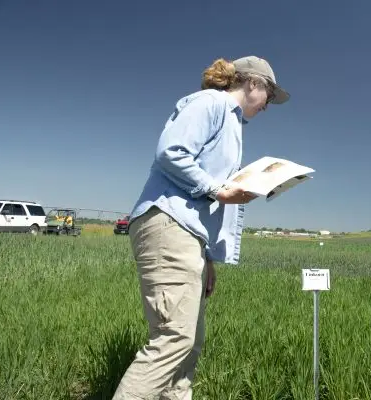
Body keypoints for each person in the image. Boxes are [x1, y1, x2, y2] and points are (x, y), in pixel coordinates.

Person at [112, 55, 290, 399]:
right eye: (270, 93)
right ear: (252, 82)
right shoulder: (211, 103)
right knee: (173, 339)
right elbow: (171, 152)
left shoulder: (232, 123)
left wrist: (207, 257)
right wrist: (217, 189)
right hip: (169, 223)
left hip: (189, 235)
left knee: (188, 344)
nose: (269, 104)